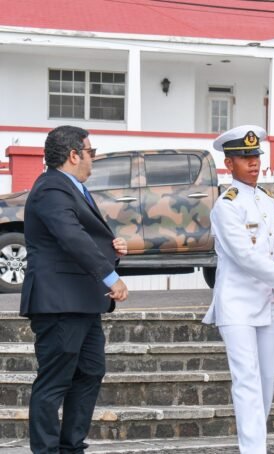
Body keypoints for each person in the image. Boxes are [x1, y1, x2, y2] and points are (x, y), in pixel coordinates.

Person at [202, 125, 274, 454]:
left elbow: (268, 255)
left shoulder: (267, 201)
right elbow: (247, 257)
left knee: (267, 379)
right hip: (236, 305)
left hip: (266, 303)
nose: (253, 162)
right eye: (243, 157)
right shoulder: (226, 206)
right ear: (229, 164)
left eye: (255, 156)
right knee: (247, 381)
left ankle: (254, 443)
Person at [20, 125, 129, 454]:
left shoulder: (71, 188)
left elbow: (81, 235)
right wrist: (110, 275)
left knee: (90, 374)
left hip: (82, 302)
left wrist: (111, 247)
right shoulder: (51, 188)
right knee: (54, 383)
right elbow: (71, 237)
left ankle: (71, 448)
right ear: (73, 155)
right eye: (90, 152)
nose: (92, 159)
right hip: (59, 303)